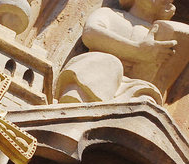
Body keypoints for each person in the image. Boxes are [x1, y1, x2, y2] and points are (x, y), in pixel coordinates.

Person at [56, 0, 189, 105]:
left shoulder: (158, 33)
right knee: (107, 63)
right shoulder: (109, 14)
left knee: (147, 96)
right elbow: (91, 33)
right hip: (97, 72)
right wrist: (137, 50)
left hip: (131, 87)